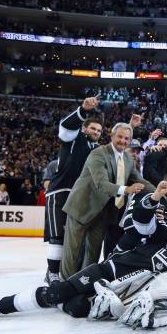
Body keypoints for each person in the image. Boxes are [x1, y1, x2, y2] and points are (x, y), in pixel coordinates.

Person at [0, 213, 167, 321]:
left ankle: (60, 299)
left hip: (114, 289)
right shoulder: (160, 232)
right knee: (57, 292)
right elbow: (144, 218)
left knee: (77, 309)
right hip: (105, 271)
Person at [60, 121, 155, 280]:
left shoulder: (129, 159)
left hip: (103, 212)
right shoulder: (98, 154)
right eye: (120, 137)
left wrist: (159, 192)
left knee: (93, 254)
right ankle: (63, 287)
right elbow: (101, 184)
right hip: (82, 207)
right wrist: (126, 190)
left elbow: (140, 180)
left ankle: (81, 285)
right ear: (112, 136)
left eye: (126, 138)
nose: (123, 141)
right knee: (72, 252)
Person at [43, 97, 103, 283]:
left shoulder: (99, 150)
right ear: (84, 129)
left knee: (76, 239)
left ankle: (69, 273)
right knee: (57, 237)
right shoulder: (74, 138)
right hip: (61, 191)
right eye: (93, 128)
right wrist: (83, 110)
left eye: (99, 130)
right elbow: (66, 127)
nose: (96, 132)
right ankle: (52, 273)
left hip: (81, 197)